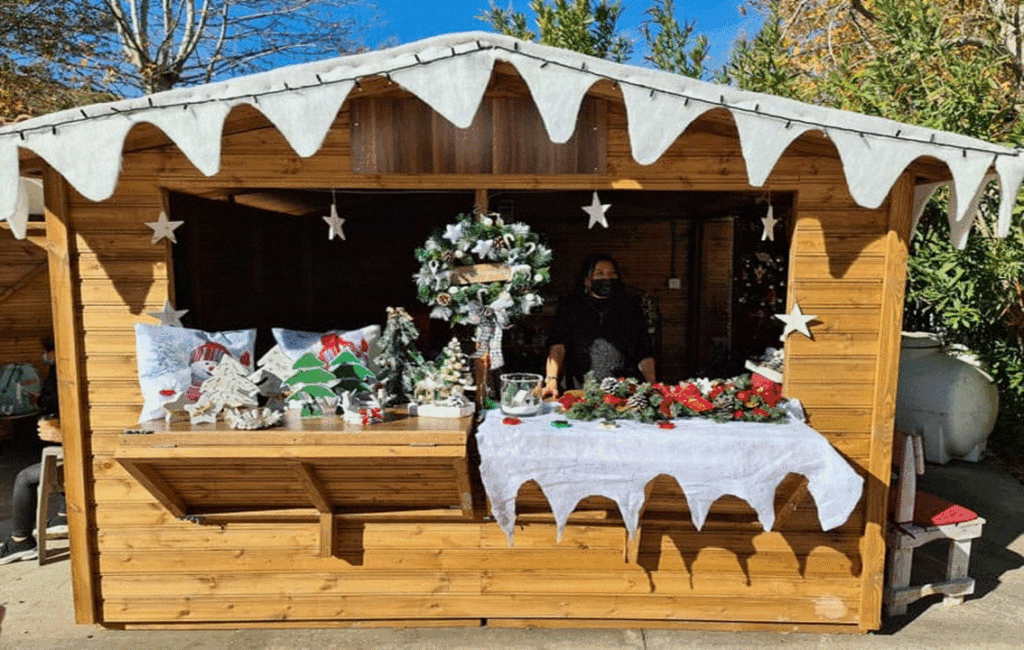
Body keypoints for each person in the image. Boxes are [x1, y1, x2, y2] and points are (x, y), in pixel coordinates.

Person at [542, 254, 656, 399]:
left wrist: (652, 384)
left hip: (624, 390)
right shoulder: (571, 307)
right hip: (580, 390)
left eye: (612, 273)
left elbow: (644, 351)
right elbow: (558, 345)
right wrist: (551, 380)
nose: (607, 279)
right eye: (599, 274)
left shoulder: (630, 307)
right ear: (587, 280)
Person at [1, 335, 65, 565]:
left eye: (48, 351)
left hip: (80, 453)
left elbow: (57, 400)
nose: (45, 356)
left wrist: (61, 434)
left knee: (25, 477)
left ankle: (21, 541)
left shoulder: (63, 373)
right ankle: (64, 515)